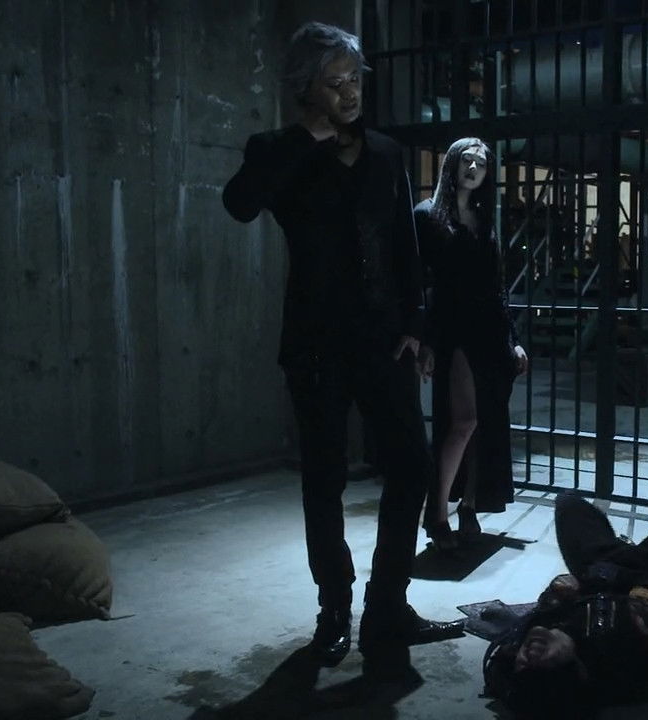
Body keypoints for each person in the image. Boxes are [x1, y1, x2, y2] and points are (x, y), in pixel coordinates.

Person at [221, 22, 461, 679]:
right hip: (317, 346)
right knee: (324, 480)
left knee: (411, 466)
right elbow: (240, 203)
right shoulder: (277, 150)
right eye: (335, 83)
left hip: (386, 343)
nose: (351, 92)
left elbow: (405, 247)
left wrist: (416, 323)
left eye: (355, 79)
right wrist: (307, 138)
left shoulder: (385, 152)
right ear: (306, 88)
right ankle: (335, 610)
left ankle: (388, 606)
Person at [481, 466, 648, 717]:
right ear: (573, 676)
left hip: (607, 569)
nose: (528, 658)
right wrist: (604, 578)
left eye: (521, 666)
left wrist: (578, 588)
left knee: (569, 505)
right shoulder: (624, 649)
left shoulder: (529, 649)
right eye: (539, 670)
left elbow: (555, 598)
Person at [413, 138, 528, 550]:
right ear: (452, 164)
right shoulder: (427, 215)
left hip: (490, 335)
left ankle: (469, 505)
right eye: (467, 159)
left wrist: (514, 340)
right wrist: (425, 340)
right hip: (454, 331)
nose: (474, 168)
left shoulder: (483, 218)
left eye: (481, 162)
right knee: (463, 422)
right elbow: (418, 282)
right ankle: (436, 512)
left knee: (486, 424)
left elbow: (497, 287)